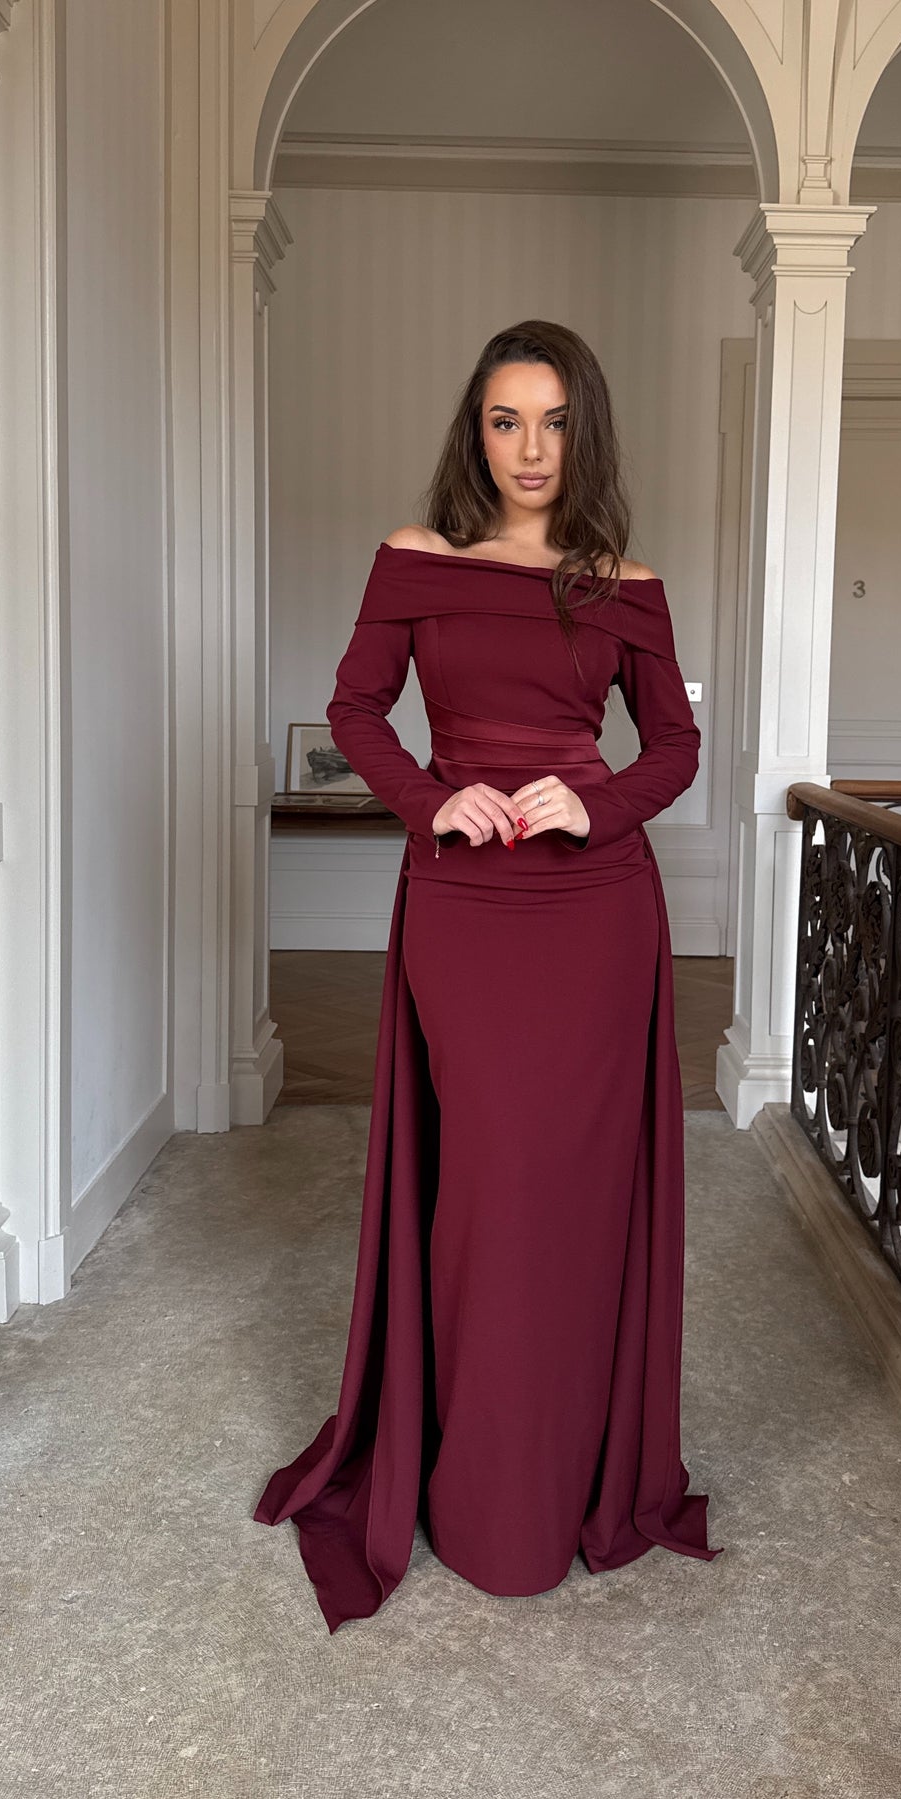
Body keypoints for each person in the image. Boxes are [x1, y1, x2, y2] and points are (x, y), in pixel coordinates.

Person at [254, 320, 722, 1631]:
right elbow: (356, 711)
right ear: (476, 430)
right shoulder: (415, 560)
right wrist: (430, 799)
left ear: (585, 434)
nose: (530, 448)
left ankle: (563, 1472)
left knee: (571, 1193)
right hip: (465, 902)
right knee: (485, 1185)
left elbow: (673, 747)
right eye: (507, 420)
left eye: (555, 422)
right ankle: (472, 1484)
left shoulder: (626, 583)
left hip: (595, 908)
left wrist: (594, 805)